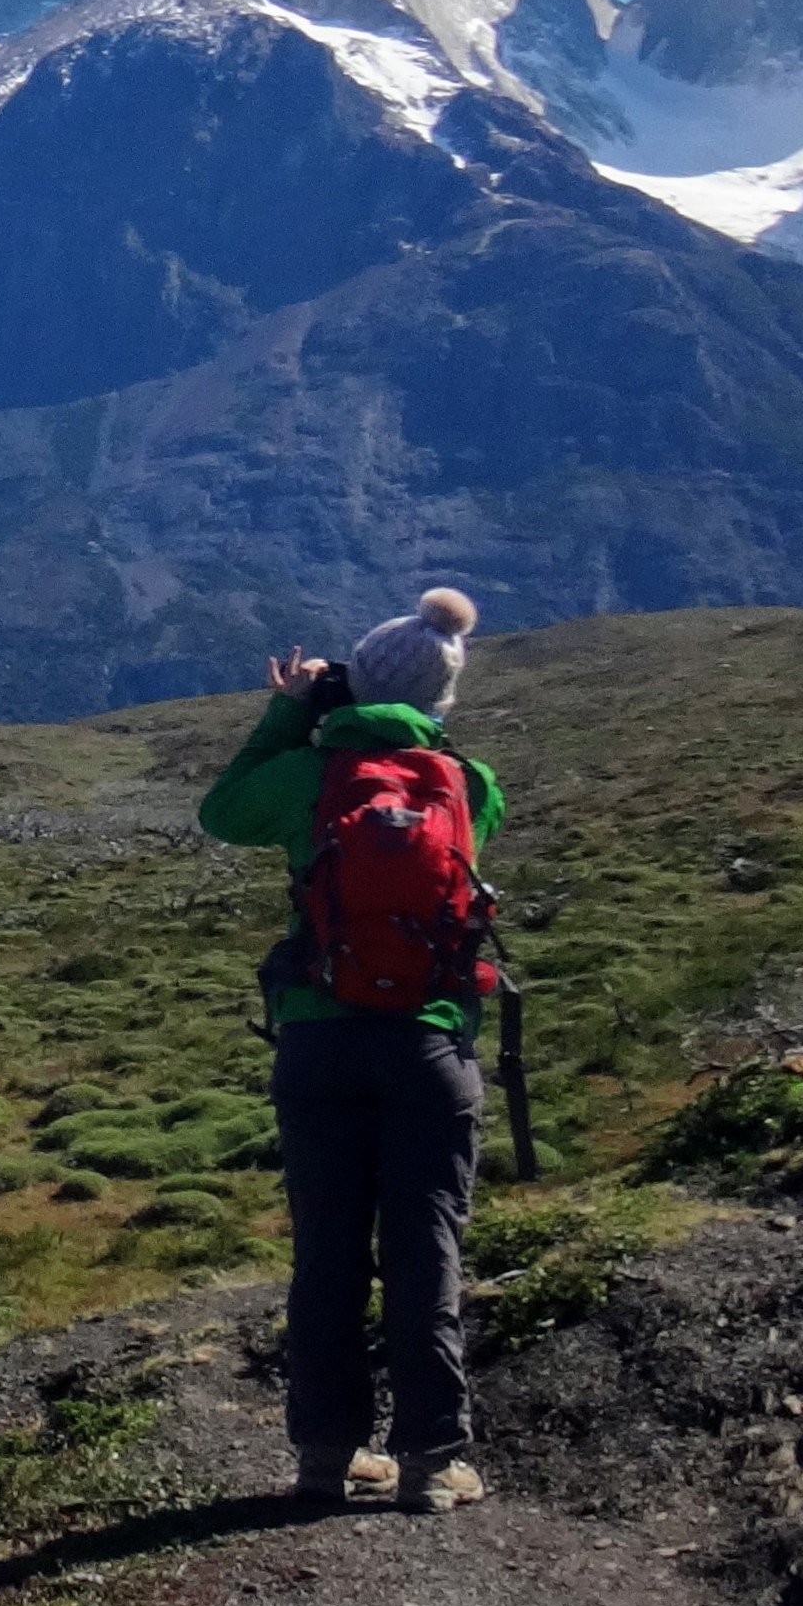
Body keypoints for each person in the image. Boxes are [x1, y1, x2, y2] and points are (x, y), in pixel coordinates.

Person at [196, 586, 498, 1517]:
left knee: (327, 1253)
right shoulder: (466, 784)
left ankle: (326, 1457)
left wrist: (293, 711)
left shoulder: (307, 779)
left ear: (352, 679)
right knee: (425, 1249)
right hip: (427, 1046)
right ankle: (431, 1463)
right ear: (441, 698)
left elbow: (221, 810)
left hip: (320, 1042)